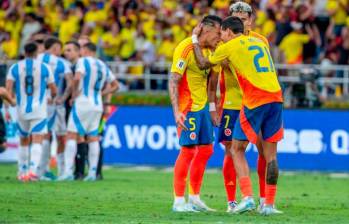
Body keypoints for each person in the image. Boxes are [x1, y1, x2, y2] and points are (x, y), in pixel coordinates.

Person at [191, 16, 283, 215]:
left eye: (222, 33)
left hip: (255, 98)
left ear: (228, 31)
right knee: (271, 155)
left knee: (237, 148)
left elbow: (201, 63)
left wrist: (194, 40)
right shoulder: (259, 42)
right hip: (276, 97)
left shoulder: (230, 45)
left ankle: (247, 198)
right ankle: (268, 205)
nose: (221, 37)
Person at [210, 1, 271, 212]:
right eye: (237, 19)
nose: (241, 23)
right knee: (231, 150)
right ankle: (231, 201)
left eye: (244, 19)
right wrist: (212, 104)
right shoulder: (223, 44)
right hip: (233, 103)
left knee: (264, 151)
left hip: (258, 102)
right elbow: (214, 75)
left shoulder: (261, 41)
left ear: (251, 21)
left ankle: (265, 201)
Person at [169, 15, 222, 212]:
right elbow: (174, 80)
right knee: (188, 151)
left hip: (203, 109)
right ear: (205, 30)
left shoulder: (213, 52)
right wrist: (176, 112)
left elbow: (211, 86)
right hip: (188, 107)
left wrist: (212, 109)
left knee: (207, 150)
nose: (220, 37)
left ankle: (194, 197)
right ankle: (178, 201)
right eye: (217, 33)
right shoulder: (185, 48)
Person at [59, 42, 118, 181]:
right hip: (97, 104)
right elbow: (116, 86)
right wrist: (101, 93)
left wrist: (73, 95)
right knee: (93, 138)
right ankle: (92, 173)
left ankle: (67, 172)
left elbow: (77, 78)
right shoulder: (102, 65)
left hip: (82, 102)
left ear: (85, 50)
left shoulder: (82, 61)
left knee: (71, 135)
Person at [6, 42, 56, 181]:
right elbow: (54, 89)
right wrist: (51, 97)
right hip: (39, 109)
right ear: (36, 52)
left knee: (23, 140)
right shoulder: (45, 67)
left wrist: (8, 107)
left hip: (21, 109)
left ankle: (21, 172)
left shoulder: (15, 67)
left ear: (24, 51)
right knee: (37, 140)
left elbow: (8, 89)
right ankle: (33, 172)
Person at [36, 37, 73, 179]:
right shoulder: (62, 63)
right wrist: (62, 98)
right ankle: (63, 171)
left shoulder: (36, 60)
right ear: (55, 47)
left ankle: (40, 170)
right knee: (61, 137)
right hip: (56, 104)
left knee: (41, 136)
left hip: (37, 103)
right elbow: (70, 83)